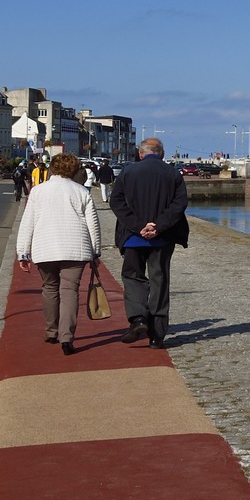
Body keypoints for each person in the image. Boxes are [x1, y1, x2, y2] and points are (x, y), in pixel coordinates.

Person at [15, 152, 102, 355]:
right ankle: (67, 337)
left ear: (52, 168)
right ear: (73, 170)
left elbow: (28, 223)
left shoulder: (38, 192)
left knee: (49, 289)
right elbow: (93, 225)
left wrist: (23, 253)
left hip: (45, 247)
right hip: (76, 248)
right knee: (70, 291)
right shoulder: (81, 192)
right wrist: (95, 251)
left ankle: (51, 331)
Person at [110, 136, 189, 348]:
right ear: (161, 154)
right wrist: (158, 226)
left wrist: (138, 226)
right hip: (163, 238)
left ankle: (138, 318)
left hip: (133, 236)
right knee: (160, 281)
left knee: (133, 277)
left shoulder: (128, 172)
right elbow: (179, 203)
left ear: (140, 153)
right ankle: (157, 334)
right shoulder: (172, 173)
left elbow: (116, 202)